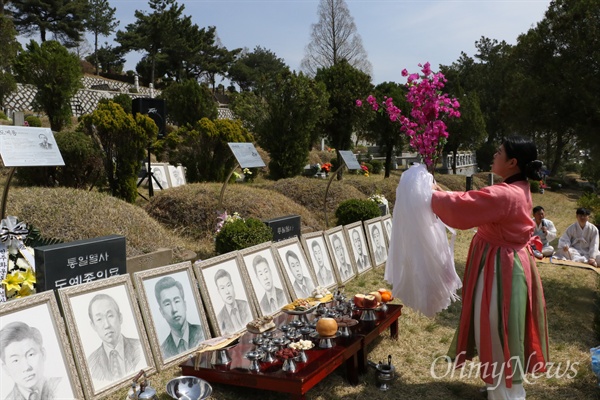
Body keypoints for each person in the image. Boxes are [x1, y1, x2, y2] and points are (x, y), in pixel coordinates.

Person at [431, 136, 548, 399]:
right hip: (508, 260)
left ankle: (506, 392)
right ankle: (504, 386)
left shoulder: (505, 194)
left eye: (499, 152)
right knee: (502, 326)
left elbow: (463, 207)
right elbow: (472, 199)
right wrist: (440, 191)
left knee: (498, 327)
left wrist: (428, 194)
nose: (494, 155)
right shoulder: (518, 187)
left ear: (512, 162)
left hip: (501, 267)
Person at [87, 293, 143, 383]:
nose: (107, 325)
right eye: (99, 319)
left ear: (120, 318)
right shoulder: (91, 363)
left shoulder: (140, 347)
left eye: (110, 316)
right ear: (93, 325)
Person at [0, 322, 62, 400]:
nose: (26, 367)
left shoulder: (64, 386)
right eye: (15, 360)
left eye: (31, 355)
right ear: (6, 369)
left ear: (43, 354)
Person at [154, 276, 205, 359]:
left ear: (184, 305)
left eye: (177, 301)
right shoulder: (163, 352)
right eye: (167, 304)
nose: (174, 309)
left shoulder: (203, 333)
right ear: (161, 312)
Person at [214, 269, 252, 334]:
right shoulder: (219, 320)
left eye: (228, 285)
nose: (227, 292)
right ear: (219, 291)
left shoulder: (246, 305)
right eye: (222, 288)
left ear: (232, 285)